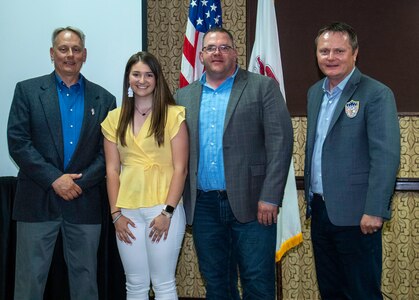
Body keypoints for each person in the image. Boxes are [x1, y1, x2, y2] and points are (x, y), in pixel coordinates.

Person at [174, 27, 293, 300]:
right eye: (211, 48)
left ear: (235, 53)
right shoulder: (184, 96)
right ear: (201, 55)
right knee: (216, 284)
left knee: (257, 283)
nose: (217, 52)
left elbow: (281, 143)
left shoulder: (262, 87)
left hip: (254, 205)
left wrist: (270, 197)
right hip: (204, 206)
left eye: (224, 47)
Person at [7, 26, 116, 300]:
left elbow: (110, 153)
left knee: (86, 285)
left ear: (85, 55)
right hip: (36, 202)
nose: (70, 55)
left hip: (85, 202)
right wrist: (55, 179)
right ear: (52, 53)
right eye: (63, 49)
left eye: (76, 49)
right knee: (29, 284)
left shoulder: (105, 99)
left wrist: (80, 183)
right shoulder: (27, 91)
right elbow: (18, 142)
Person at [304, 22, 400, 300]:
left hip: (359, 215)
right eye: (324, 51)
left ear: (354, 54)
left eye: (338, 51)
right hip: (321, 211)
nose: (330, 57)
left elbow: (386, 156)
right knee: (330, 290)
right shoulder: (314, 93)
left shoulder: (376, 93)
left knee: (361, 291)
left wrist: (375, 209)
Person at [101, 51, 188, 300]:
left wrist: (167, 212)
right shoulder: (113, 119)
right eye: (136, 74)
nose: (142, 80)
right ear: (128, 79)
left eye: (148, 75)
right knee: (135, 285)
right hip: (126, 211)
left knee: (163, 284)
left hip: (163, 209)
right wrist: (115, 214)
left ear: (157, 79)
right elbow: (112, 170)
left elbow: (180, 168)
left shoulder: (174, 115)